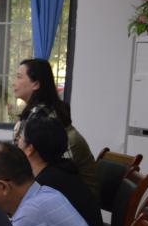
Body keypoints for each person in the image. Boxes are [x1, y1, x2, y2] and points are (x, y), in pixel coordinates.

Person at [19, 115, 106, 226]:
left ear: (30, 149)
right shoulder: (64, 172)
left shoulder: (46, 186)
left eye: (20, 138)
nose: (17, 142)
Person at [12, 59, 97, 197]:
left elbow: (58, 177)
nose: (14, 83)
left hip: (73, 201)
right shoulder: (35, 115)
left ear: (36, 84)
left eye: (19, 77)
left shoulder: (48, 121)